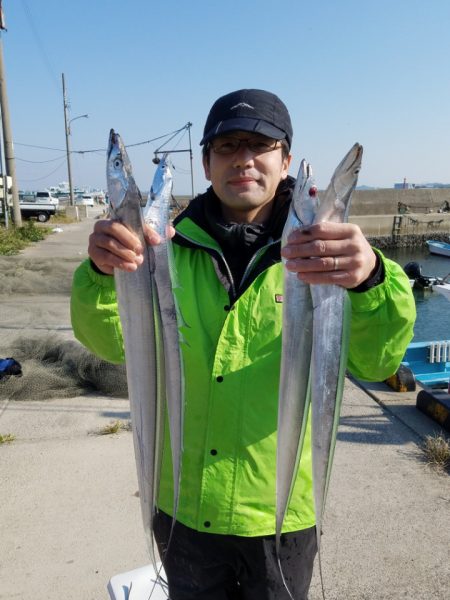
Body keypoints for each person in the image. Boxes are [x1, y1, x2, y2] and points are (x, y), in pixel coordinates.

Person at [71, 89, 416, 599]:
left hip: (282, 516)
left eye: (260, 144)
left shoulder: (328, 254)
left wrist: (370, 283)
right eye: (228, 146)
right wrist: (102, 274)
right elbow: (112, 342)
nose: (244, 159)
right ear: (207, 163)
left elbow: (373, 361)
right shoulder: (161, 247)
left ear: (286, 159)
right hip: (183, 506)